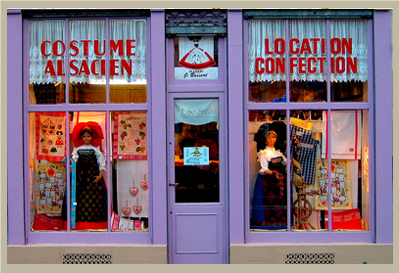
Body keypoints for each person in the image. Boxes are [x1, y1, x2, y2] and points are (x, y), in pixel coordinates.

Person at [61, 125, 107, 230]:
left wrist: (100, 175)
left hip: (92, 178)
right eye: (84, 136)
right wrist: (69, 162)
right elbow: (74, 161)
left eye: (88, 136)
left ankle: (95, 225)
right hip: (79, 179)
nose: (86, 138)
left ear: (91, 137)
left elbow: (101, 163)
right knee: (78, 200)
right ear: (82, 137)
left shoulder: (96, 150)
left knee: (94, 201)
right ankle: (76, 224)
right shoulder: (77, 149)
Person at [251, 131, 288, 229]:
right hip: (268, 181)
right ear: (266, 139)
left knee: (278, 202)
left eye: (274, 137)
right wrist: (275, 174)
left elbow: (286, 163)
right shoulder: (264, 153)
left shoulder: (278, 153)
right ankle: (266, 222)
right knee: (267, 202)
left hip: (278, 181)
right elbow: (264, 168)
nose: (272, 140)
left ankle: (279, 221)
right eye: (270, 138)